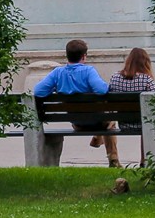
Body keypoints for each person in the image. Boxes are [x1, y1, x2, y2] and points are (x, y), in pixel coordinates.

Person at [31, 39, 118, 168]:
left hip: (77, 123)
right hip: (97, 121)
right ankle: (113, 159)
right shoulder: (88, 71)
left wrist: (57, 88)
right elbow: (101, 90)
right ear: (84, 56)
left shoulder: (57, 73)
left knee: (106, 119)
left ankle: (98, 137)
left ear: (67, 55)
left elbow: (38, 91)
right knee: (111, 121)